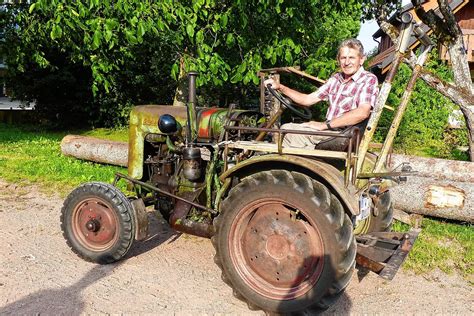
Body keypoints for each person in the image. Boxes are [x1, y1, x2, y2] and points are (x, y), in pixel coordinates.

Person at [264, 38, 378, 149]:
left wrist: (323, 125)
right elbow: (307, 100)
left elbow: (362, 112)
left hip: (345, 133)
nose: (347, 62)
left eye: (352, 58)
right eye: (343, 58)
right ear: (338, 60)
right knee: (288, 127)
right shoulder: (336, 79)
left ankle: (290, 166)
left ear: (361, 59)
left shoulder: (368, 79)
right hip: (331, 130)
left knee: (288, 132)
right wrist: (280, 87)